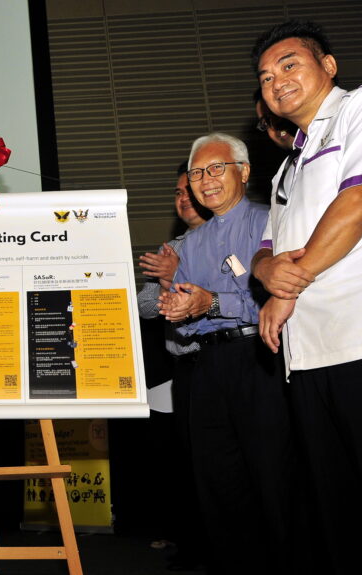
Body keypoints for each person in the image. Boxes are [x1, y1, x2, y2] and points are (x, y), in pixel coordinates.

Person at [251, 19, 362, 573]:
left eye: (289, 65)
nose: (276, 81)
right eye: (265, 77)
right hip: (306, 359)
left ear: (328, 66)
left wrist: (288, 285)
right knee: (341, 520)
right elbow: (266, 249)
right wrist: (267, 273)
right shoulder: (286, 169)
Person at [157, 133, 294, 574]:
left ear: (244, 171)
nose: (205, 180)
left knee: (270, 475)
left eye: (216, 168)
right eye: (197, 173)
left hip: (260, 356)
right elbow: (192, 317)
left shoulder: (268, 222)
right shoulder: (192, 243)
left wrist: (212, 303)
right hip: (207, 365)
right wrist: (179, 309)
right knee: (217, 480)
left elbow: (276, 299)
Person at [136, 162, 207, 570]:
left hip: (222, 360)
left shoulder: (232, 235)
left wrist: (177, 277)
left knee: (219, 460)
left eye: (188, 192)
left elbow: (232, 292)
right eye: (178, 193)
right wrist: (166, 287)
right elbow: (146, 305)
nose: (182, 199)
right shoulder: (172, 246)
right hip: (183, 369)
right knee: (187, 460)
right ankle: (192, 543)